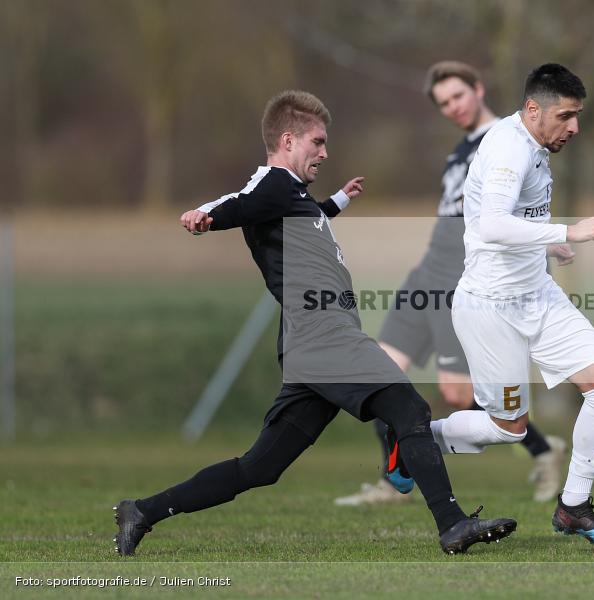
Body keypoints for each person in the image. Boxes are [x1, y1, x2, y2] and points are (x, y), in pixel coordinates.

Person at [113, 90, 516, 557]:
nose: (325, 152)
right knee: (410, 409)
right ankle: (450, 523)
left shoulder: (291, 196)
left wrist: (340, 200)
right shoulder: (273, 186)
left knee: (260, 468)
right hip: (325, 335)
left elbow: (302, 214)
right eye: (318, 142)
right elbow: (241, 201)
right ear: (288, 140)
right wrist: (207, 215)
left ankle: (141, 511)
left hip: (310, 345)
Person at [411, 63, 594, 548]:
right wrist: (566, 231)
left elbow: (507, 221)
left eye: (577, 116)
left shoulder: (533, 142)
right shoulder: (510, 147)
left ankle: (573, 506)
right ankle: (414, 440)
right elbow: (491, 225)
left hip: (539, 295)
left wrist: (546, 246)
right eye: (566, 116)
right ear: (534, 110)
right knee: (508, 429)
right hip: (490, 306)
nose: (574, 127)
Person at [335, 61, 565, 507]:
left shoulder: (509, 138)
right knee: (379, 371)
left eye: (458, 96)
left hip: (463, 274)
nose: (452, 107)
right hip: (429, 269)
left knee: (459, 394)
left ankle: (541, 448)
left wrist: (548, 243)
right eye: (443, 103)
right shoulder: (461, 150)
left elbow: (523, 208)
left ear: (478, 89)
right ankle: (393, 479)